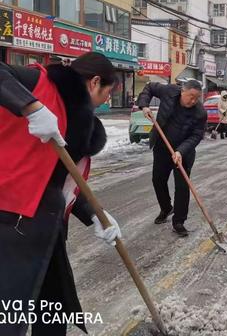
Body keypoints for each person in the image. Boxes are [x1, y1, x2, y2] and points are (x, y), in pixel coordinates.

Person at [0, 52, 121, 336]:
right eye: (106, 93)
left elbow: (61, 184)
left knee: (52, 308)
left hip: (46, 227)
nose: (105, 101)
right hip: (9, 220)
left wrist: (96, 215)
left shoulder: (78, 128)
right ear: (94, 83)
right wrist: (30, 107)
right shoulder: (37, 84)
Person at [138, 79, 207, 237]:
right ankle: (166, 208)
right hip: (162, 147)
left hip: (184, 153)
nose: (193, 100)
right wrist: (144, 105)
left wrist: (180, 151)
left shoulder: (200, 113)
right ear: (183, 91)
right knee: (158, 180)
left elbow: (197, 136)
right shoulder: (168, 91)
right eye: (191, 96)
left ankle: (179, 221)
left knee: (182, 186)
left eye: (197, 98)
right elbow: (149, 87)